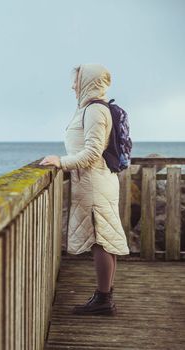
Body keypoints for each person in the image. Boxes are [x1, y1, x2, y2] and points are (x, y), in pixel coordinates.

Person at [39, 63, 130, 316]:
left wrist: (61, 162)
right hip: (96, 183)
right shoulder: (90, 109)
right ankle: (104, 296)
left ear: (88, 81)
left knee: (101, 240)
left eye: (76, 81)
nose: (72, 86)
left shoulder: (95, 111)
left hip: (94, 185)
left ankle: (103, 299)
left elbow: (92, 153)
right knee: (104, 239)